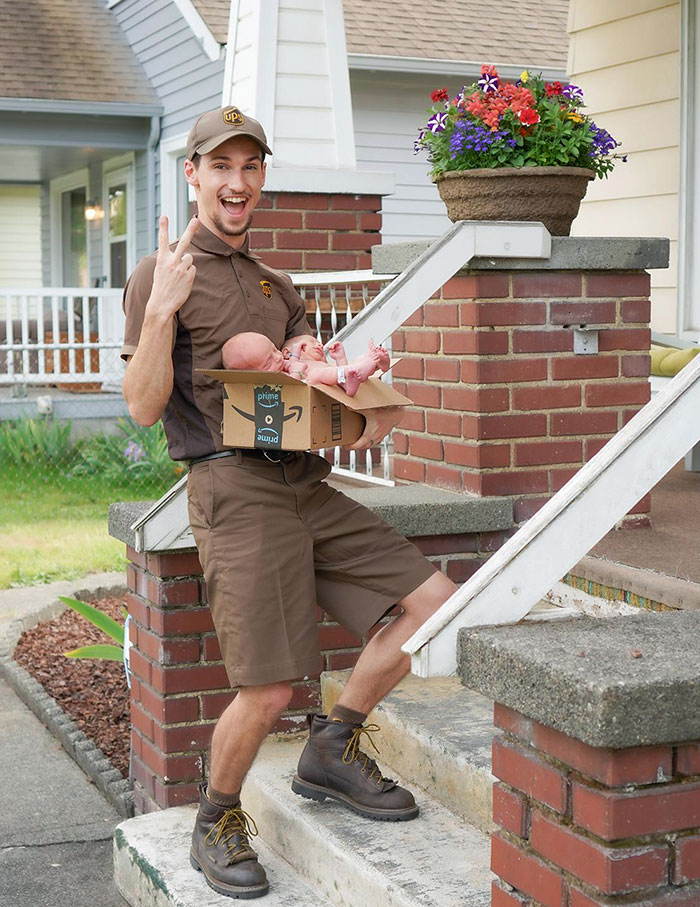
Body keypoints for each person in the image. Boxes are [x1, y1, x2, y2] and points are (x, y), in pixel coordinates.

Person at [121, 105, 457, 900]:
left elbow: (313, 397)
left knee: (433, 603)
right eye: (221, 167)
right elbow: (141, 408)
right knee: (270, 687)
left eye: (251, 167)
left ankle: (331, 748)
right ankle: (215, 815)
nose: (237, 183)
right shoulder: (160, 273)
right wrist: (165, 306)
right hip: (233, 488)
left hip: (304, 479)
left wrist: (352, 401)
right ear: (193, 174)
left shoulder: (279, 286)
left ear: (261, 177)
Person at [221, 330, 390, 396]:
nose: (278, 357)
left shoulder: (283, 363)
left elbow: (291, 360)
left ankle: (373, 363)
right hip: (311, 383)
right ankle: (356, 371)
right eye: (268, 362)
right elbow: (293, 383)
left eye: (274, 350)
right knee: (319, 374)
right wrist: (297, 373)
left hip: (337, 380)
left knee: (350, 366)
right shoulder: (277, 380)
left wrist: (295, 352)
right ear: (254, 376)